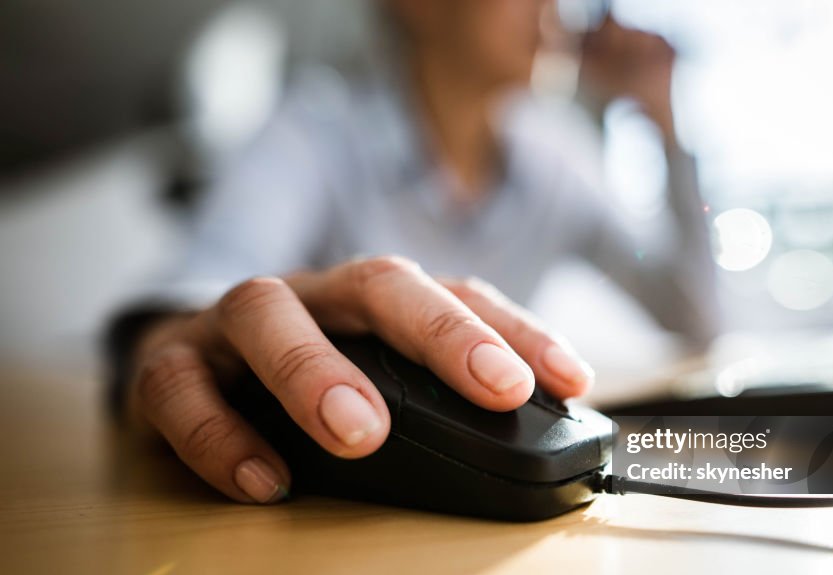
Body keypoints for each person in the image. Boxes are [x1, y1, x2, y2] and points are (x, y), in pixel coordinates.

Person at [109, 0, 718, 505]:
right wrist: (169, 346)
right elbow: (192, 304)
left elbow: (692, 317)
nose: (556, 9)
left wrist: (665, 124)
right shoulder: (315, 129)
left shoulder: (559, 157)